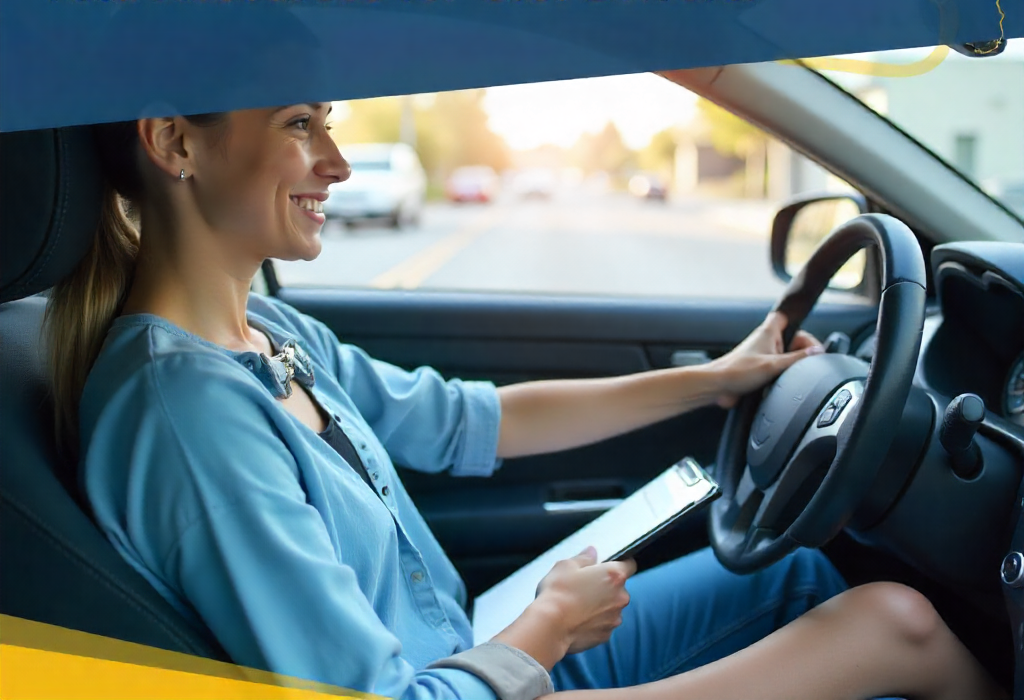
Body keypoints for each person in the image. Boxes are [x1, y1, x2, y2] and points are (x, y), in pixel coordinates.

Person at [46, 104, 1001, 700]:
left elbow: (476, 420)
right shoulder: (188, 416)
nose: (337, 162)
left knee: (792, 580)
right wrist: (548, 625)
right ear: (175, 141)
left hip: (474, 653)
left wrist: (716, 379)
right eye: (301, 125)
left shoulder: (273, 339)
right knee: (894, 626)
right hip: (475, 679)